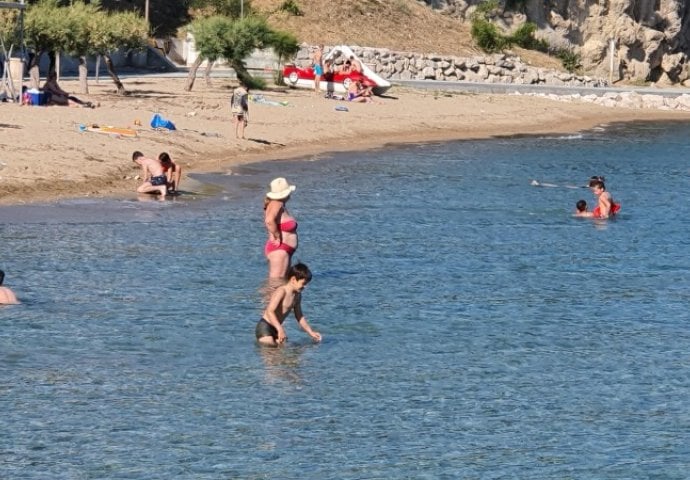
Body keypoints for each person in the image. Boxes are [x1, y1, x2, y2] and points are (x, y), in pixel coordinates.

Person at [255, 263, 322, 346]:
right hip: (265, 326)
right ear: (293, 280)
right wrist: (280, 329)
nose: (305, 287)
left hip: (276, 328)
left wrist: (311, 332)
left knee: (282, 355)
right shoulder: (281, 291)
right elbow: (270, 311)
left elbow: (300, 316)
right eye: (303, 283)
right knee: (270, 350)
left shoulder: (297, 295)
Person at [264, 177, 298, 279]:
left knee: (281, 282)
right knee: (276, 282)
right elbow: (269, 221)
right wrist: (277, 235)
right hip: (279, 249)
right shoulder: (276, 204)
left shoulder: (277, 205)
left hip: (283, 250)